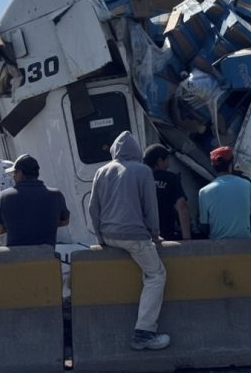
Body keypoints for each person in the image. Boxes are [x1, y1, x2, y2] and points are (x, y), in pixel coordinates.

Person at [89, 131, 170, 351]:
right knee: (156, 275)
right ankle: (145, 332)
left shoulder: (101, 171)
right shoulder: (143, 171)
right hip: (134, 237)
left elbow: (93, 208)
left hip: (109, 236)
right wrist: (154, 234)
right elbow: (150, 207)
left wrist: (100, 238)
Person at [0, 154, 70, 247]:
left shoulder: (5, 196)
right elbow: (65, 221)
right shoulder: (56, 195)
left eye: (14, 173)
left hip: (18, 254)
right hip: (47, 253)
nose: (13, 176)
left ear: (20, 173)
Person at [198, 146, 251, 239]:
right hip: (244, 241)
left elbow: (204, 226)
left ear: (213, 166)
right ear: (231, 164)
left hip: (218, 243)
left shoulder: (204, 192)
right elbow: (250, 217)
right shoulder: (246, 185)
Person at [142, 144, 191, 240]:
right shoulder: (171, 178)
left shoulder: (141, 179)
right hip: (167, 236)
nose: (168, 164)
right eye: (167, 160)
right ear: (160, 161)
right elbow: (181, 206)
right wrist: (187, 239)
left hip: (145, 237)